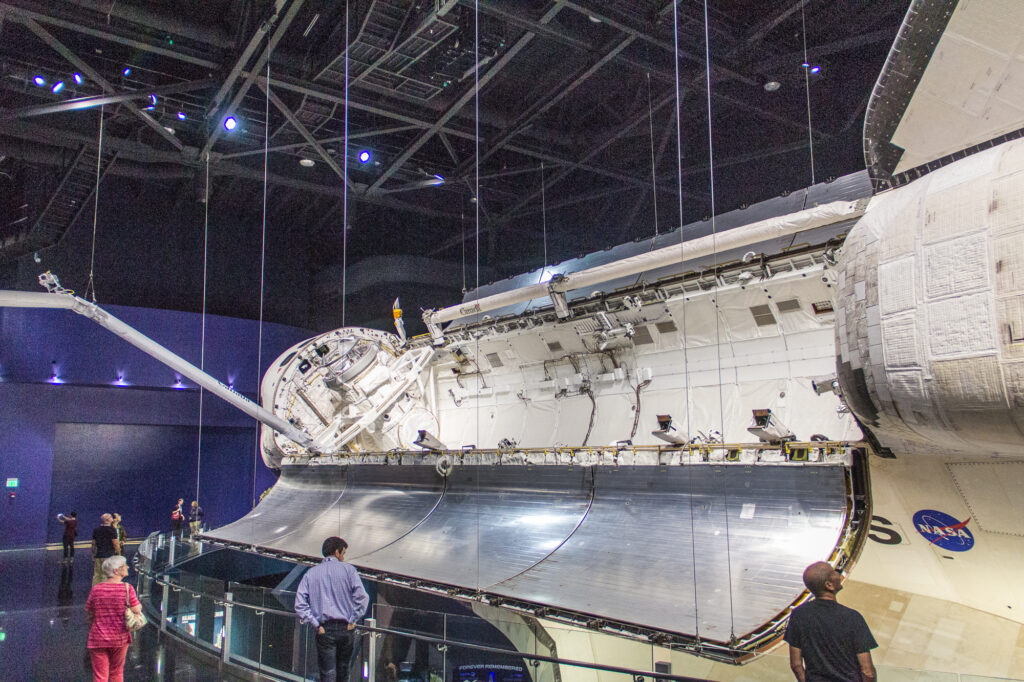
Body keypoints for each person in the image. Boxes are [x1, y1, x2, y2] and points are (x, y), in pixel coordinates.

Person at [785, 561, 877, 681]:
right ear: (829, 585)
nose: (838, 574)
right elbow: (867, 671)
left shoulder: (798, 615)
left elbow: (796, 665)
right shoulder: (853, 618)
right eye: (834, 572)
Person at [295, 536, 370, 682]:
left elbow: (299, 603)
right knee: (344, 672)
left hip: (324, 629)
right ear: (337, 552)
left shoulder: (311, 573)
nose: (343, 557)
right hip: (345, 628)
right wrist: (353, 619)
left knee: (327, 674)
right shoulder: (349, 570)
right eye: (343, 553)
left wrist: (315, 623)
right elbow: (363, 598)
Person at [85, 555, 142, 682]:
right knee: (116, 673)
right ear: (116, 570)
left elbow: (89, 610)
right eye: (124, 565)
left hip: (98, 638)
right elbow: (137, 609)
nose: (127, 567)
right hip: (119, 638)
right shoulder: (127, 589)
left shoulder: (96, 589)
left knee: (100, 676)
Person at [91, 514, 120, 586]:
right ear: (108, 520)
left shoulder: (96, 530)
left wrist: (94, 554)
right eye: (111, 517)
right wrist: (119, 553)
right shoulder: (112, 529)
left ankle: (96, 591)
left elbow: (93, 544)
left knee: (97, 575)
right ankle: (106, 592)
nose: (112, 518)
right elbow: (115, 543)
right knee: (107, 575)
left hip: (99, 556)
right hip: (109, 556)